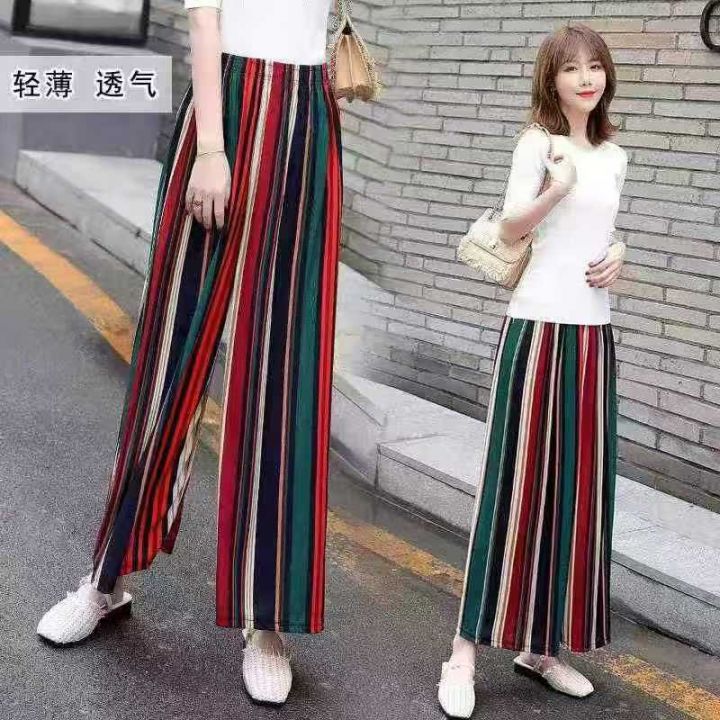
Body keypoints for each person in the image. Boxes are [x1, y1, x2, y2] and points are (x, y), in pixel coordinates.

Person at [37, 0, 343, 707]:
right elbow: (205, 20)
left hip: (305, 120)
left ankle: (268, 624)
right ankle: (105, 579)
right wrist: (211, 148)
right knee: (171, 351)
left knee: (286, 366)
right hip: (223, 110)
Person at [437, 23, 628, 719]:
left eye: (595, 66)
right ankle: (462, 653)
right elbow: (511, 230)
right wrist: (556, 190)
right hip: (536, 330)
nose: (586, 77)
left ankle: (541, 649)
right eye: (571, 68)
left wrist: (622, 254)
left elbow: (598, 235)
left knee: (577, 495)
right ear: (551, 79)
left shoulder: (616, 155)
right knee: (511, 490)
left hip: (593, 335)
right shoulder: (537, 145)